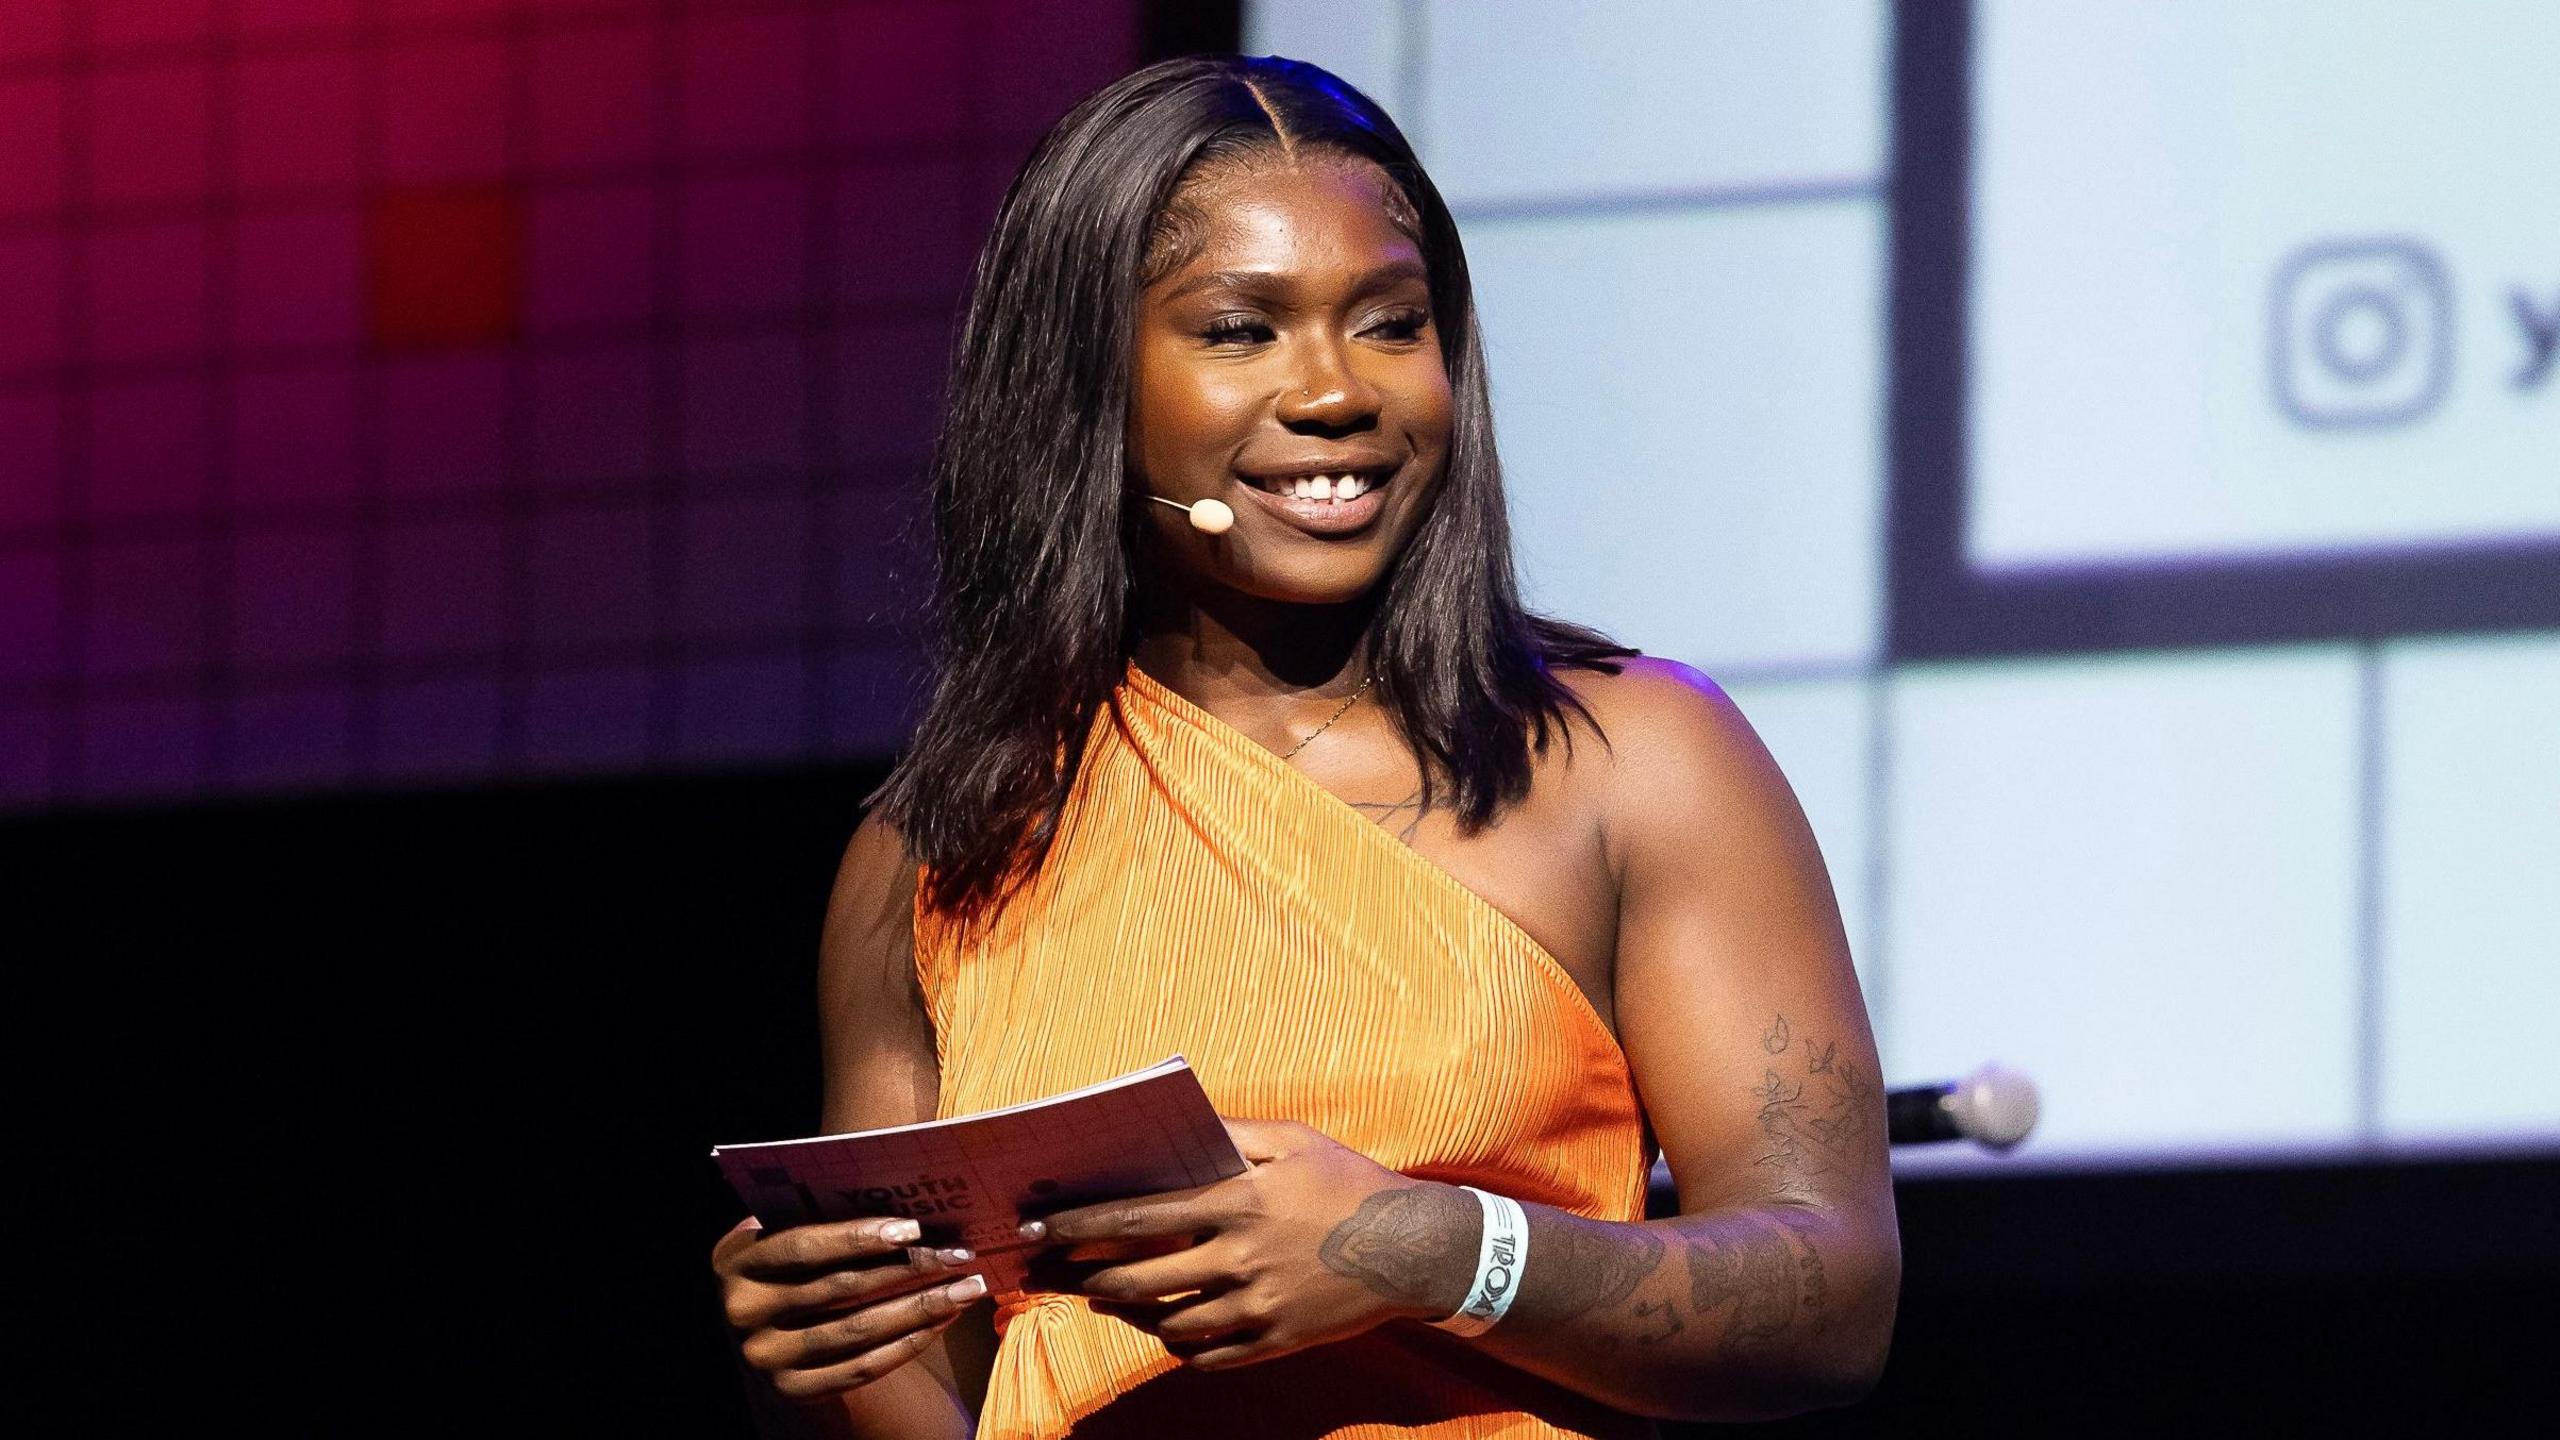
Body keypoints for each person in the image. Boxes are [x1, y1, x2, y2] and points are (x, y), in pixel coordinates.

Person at [711, 53, 1897, 1439]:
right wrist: (835, 1335)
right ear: (1087, 380)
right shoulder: (937, 854)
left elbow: (1831, 1300)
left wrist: (1426, 1249)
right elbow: (948, 1393)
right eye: (1239, 331)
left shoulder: (1626, 760)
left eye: (1391, 323)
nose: (1337, 392)